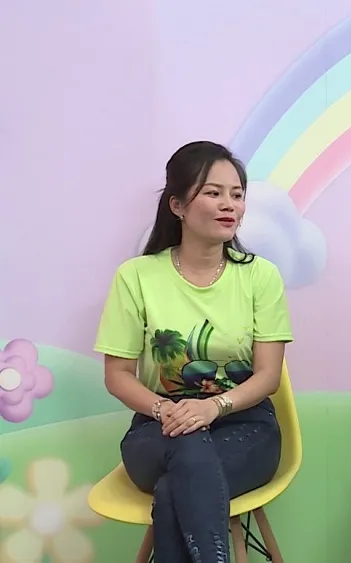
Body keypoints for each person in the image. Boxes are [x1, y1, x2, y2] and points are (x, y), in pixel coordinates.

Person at [94, 141, 293, 562]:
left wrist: (212, 407)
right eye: (213, 192)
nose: (229, 205)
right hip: (158, 427)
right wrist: (166, 410)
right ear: (178, 205)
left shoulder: (260, 277)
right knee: (186, 450)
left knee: (175, 488)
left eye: (237, 194)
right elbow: (117, 375)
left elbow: (268, 376)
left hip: (246, 426)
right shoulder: (136, 277)